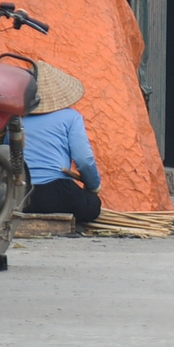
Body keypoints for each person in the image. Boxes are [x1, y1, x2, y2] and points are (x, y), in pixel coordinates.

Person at [21, 62, 103, 226]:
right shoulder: (71, 117)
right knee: (94, 205)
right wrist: (93, 186)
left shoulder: (15, 118)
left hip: (20, 196)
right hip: (57, 194)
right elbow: (84, 160)